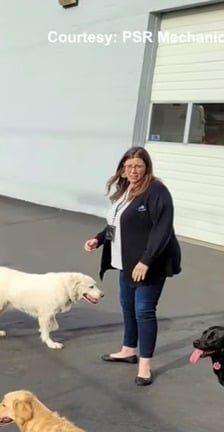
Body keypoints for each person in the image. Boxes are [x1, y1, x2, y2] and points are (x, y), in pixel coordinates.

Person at [83, 146, 181, 387]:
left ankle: (145, 364)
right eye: (128, 167)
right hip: (125, 262)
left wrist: (146, 260)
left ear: (146, 167)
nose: (133, 170)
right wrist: (99, 238)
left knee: (144, 311)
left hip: (150, 264)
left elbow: (163, 229)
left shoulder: (157, 191)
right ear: (123, 170)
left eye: (138, 165)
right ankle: (128, 350)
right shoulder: (125, 191)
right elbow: (115, 223)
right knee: (127, 307)